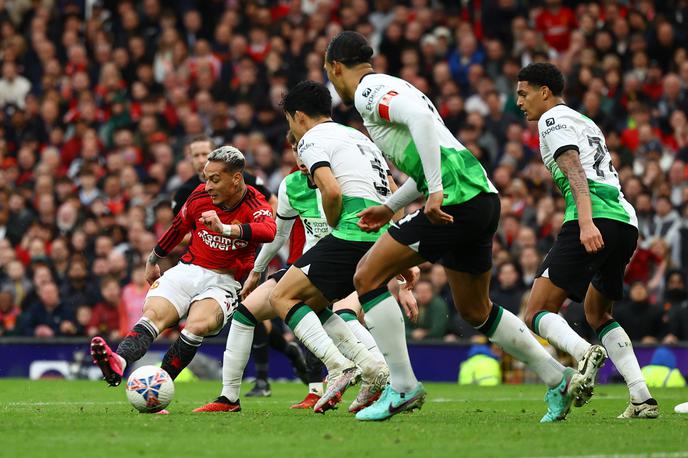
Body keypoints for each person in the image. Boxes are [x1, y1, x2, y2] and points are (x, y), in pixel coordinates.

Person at [324, 31, 583, 422]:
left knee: (367, 277)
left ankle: (403, 387)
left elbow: (421, 122)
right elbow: (431, 147)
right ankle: (557, 377)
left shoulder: (368, 91)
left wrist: (438, 190)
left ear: (335, 67)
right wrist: (390, 207)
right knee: (475, 309)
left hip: (455, 199)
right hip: (480, 197)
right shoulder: (395, 86)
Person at [195, 129, 410, 413]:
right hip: (311, 264)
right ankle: (229, 397)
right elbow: (278, 235)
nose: (300, 158)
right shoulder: (292, 186)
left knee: (322, 308)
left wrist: (403, 264)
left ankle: (349, 368)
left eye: (303, 150)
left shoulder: (343, 181)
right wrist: (256, 272)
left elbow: (391, 206)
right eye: (295, 151)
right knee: (247, 312)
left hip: (347, 257)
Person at [516, 62, 659, 419]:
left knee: (536, 311)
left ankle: (583, 354)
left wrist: (584, 221)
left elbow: (574, 168)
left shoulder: (552, 120)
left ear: (544, 91)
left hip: (594, 216)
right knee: (598, 312)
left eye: (523, 93)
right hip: (625, 220)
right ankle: (641, 397)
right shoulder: (585, 121)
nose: (519, 102)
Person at [90, 146, 277, 406]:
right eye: (206, 177)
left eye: (215, 179)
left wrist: (225, 229)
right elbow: (179, 227)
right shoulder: (199, 196)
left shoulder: (255, 202)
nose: (208, 185)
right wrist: (153, 258)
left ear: (236, 179)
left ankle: (157, 387)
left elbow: (269, 231)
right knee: (154, 315)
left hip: (226, 281)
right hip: (189, 269)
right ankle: (118, 362)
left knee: (197, 325)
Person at [173, 135, 304, 396]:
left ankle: (262, 381)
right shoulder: (185, 191)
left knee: (249, 313)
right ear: (189, 158)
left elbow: (273, 205)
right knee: (250, 317)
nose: (201, 160)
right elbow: (180, 231)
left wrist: (267, 238)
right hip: (211, 262)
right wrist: (211, 235)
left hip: (249, 257)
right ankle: (286, 351)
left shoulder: (246, 181)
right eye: (195, 155)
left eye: (205, 154)